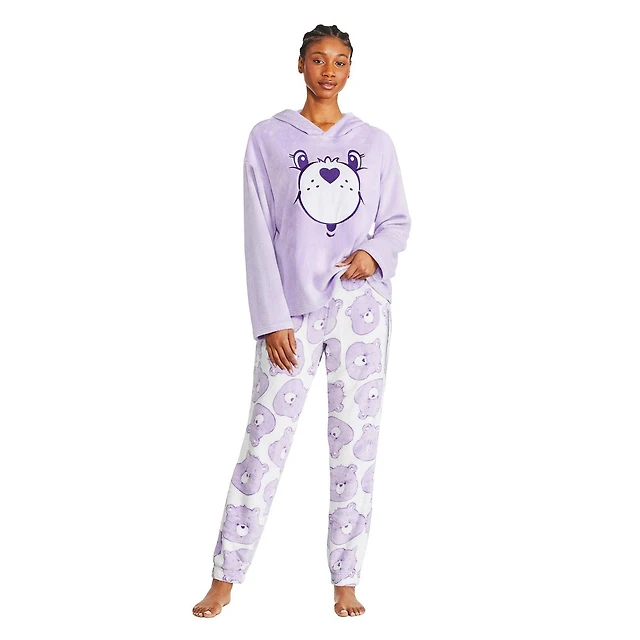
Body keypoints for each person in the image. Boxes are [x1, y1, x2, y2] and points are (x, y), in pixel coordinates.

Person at [192, 23, 411, 619]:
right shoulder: (268, 138)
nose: (329, 70)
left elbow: (396, 221)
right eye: (318, 59)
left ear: (350, 69)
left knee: (356, 446)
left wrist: (374, 255)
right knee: (263, 442)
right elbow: (257, 232)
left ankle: (347, 579)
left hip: (361, 310)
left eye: (340, 60)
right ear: (300, 64)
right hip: (290, 311)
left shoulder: (376, 143)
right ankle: (225, 577)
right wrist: (271, 319)